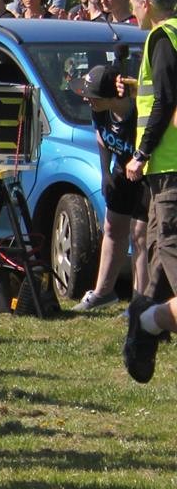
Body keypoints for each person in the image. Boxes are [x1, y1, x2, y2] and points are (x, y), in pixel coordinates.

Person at [121, 0, 177, 382]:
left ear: (146, 4)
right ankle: (146, 323)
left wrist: (140, 153)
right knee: (159, 249)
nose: (132, 12)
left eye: (133, 4)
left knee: (167, 246)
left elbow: (165, 99)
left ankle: (147, 321)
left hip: (168, 165)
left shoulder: (162, 36)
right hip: (166, 168)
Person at [80, 59, 146, 312]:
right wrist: (105, 171)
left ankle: (140, 303)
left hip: (146, 175)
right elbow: (101, 136)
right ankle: (103, 293)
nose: (87, 99)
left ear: (111, 95)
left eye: (93, 95)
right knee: (112, 228)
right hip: (121, 170)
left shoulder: (138, 113)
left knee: (140, 236)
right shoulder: (100, 110)